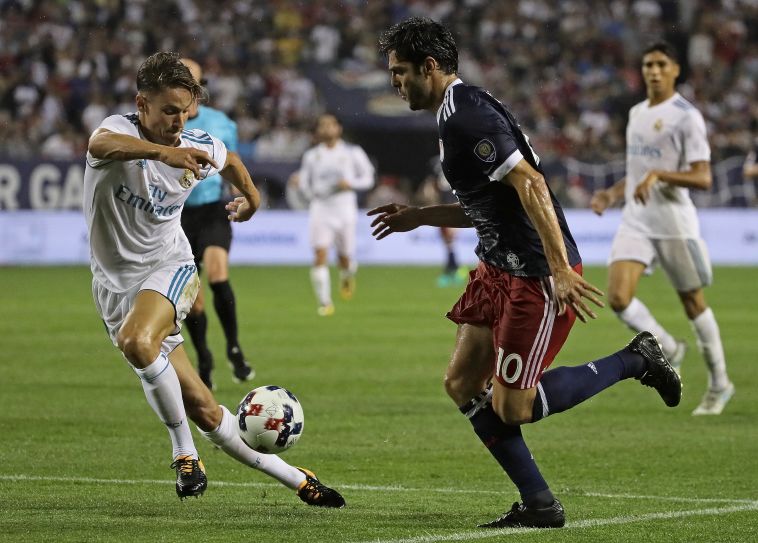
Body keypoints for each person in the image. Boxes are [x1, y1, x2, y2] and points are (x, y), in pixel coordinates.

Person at [370, 18, 681, 529]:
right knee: (462, 383)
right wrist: (420, 216)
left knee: (512, 407)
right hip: (497, 266)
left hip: (534, 275)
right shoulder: (456, 112)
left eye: (400, 72)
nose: (395, 83)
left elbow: (532, 183)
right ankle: (539, 504)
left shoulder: (467, 116)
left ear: (429, 67)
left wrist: (559, 269)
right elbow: (491, 203)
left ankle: (636, 360)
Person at [83, 51, 345, 507]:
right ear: (141, 104)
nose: (177, 122)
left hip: (171, 267)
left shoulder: (197, 142)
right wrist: (164, 152)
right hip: (114, 288)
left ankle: (184, 455)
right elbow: (99, 146)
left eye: (184, 112)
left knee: (139, 343)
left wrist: (253, 198)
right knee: (204, 407)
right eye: (168, 111)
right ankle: (299, 480)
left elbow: (233, 162)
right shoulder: (118, 132)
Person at [590, 42, 734, 416]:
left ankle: (720, 383)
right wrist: (611, 193)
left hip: (673, 222)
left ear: (674, 70)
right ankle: (668, 348)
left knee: (693, 304)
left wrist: (659, 174)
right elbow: (637, 171)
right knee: (619, 298)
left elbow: (703, 176)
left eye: (660, 64)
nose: (652, 71)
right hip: (637, 219)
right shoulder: (637, 112)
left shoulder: (687, 116)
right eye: (647, 64)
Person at [178, 58, 253, 391]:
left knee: (218, 271)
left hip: (212, 210)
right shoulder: (160, 125)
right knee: (193, 299)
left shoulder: (221, 123)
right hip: (176, 217)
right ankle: (204, 356)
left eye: (190, 81)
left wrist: (243, 197)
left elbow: (232, 166)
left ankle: (234, 347)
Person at [293, 113, 375, 316]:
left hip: (345, 210)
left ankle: (347, 274)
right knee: (319, 254)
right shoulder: (312, 155)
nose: (327, 129)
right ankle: (325, 302)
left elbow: (368, 178)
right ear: (318, 130)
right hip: (321, 209)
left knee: (345, 257)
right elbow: (304, 182)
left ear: (339, 129)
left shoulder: (352, 152)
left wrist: (352, 184)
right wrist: (309, 193)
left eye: (331, 125)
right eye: (323, 125)